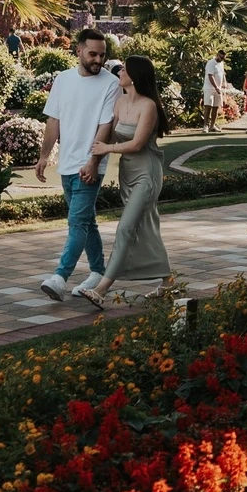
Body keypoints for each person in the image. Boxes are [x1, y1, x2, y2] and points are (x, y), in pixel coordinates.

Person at [35, 27, 121, 302]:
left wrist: (94, 162)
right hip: (68, 164)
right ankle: (97, 271)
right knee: (86, 221)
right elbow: (53, 120)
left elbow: (106, 125)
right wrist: (45, 155)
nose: (98, 59)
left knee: (76, 222)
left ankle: (60, 277)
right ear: (79, 51)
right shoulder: (63, 79)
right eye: (93, 54)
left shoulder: (110, 83)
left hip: (89, 165)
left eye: (102, 55)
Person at [80, 54, 171, 308]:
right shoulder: (120, 102)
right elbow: (110, 130)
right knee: (147, 228)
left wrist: (106, 149)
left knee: (125, 228)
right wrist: (92, 156)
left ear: (135, 76)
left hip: (147, 174)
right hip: (128, 174)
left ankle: (101, 289)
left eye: (124, 70)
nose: (119, 72)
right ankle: (168, 283)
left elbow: (137, 143)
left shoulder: (148, 106)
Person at [202, 49, 227, 132]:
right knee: (208, 106)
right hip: (209, 87)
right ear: (217, 55)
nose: (221, 59)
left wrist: (224, 83)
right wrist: (216, 87)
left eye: (223, 58)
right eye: (221, 57)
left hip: (218, 89)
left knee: (216, 107)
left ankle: (212, 126)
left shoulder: (221, 63)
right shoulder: (211, 63)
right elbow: (210, 76)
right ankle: (205, 126)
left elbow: (223, 74)